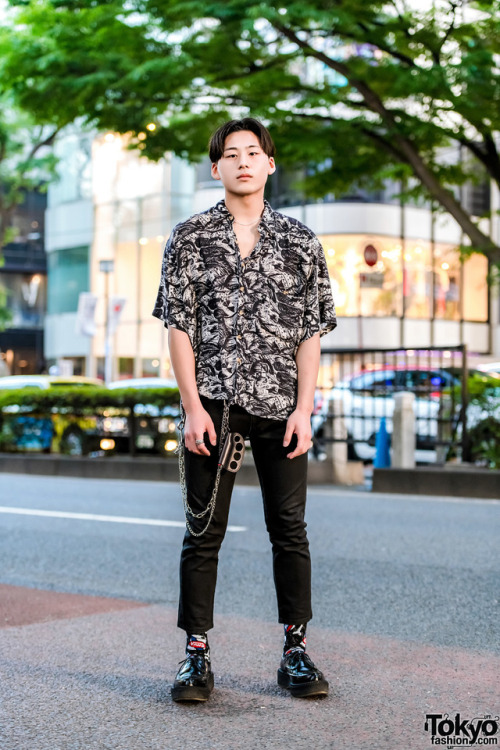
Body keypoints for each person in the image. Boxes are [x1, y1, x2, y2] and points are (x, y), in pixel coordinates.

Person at [153, 117, 337, 702]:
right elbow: (179, 328)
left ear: (270, 165)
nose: (243, 162)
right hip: (215, 408)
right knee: (203, 532)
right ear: (216, 169)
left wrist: (305, 410)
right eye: (230, 155)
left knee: (290, 530)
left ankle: (296, 651)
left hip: (282, 409)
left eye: (253, 153)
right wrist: (192, 409)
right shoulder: (189, 238)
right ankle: (196, 656)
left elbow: (310, 332)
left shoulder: (300, 241)